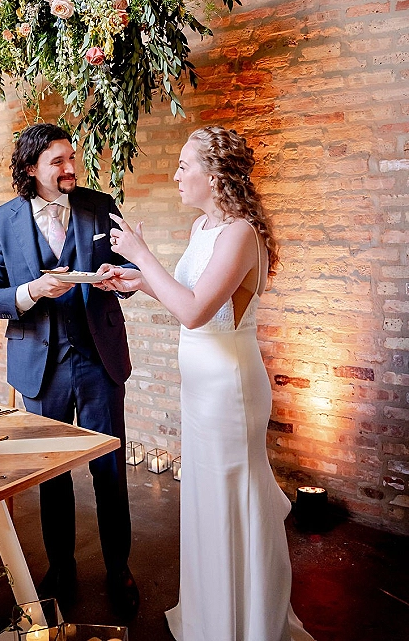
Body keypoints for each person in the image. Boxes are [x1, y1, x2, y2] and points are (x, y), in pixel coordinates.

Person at [101, 126, 315, 641]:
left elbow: (196, 312)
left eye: (183, 166)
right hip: (199, 389)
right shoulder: (203, 229)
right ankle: (210, 617)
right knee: (204, 500)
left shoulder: (241, 234)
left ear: (213, 174)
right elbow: (187, 300)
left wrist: (140, 254)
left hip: (229, 391)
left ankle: (244, 623)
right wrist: (139, 282)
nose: (176, 175)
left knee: (231, 501)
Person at [0, 123, 139, 618]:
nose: (71, 168)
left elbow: (130, 276)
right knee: (51, 473)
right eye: (58, 161)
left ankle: (120, 568)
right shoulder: (0, 222)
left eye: (73, 158)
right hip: (39, 366)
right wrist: (33, 292)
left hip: (98, 358)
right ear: (31, 168)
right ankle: (62, 567)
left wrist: (120, 281)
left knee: (110, 469)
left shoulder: (99, 204)